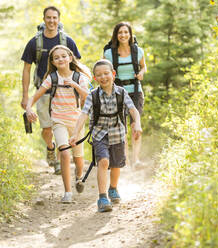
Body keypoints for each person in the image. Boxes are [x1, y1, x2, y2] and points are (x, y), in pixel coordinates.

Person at [69, 59, 142, 212]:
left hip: (118, 133)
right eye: (99, 75)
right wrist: (75, 134)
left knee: (116, 165)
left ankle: (113, 188)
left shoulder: (122, 93)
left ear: (113, 74)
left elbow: (133, 109)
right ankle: (102, 198)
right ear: (95, 78)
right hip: (99, 134)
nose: (103, 77)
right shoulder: (92, 96)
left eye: (106, 73)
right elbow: (83, 115)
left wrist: (138, 124)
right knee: (103, 161)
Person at [21, 6, 81, 174]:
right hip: (44, 90)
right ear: (44, 19)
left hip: (66, 92)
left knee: (68, 125)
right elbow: (26, 69)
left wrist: (82, 89)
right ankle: (50, 149)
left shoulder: (67, 41)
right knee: (47, 128)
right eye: (48, 18)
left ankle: (67, 159)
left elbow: (77, 66)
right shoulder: (34, 42)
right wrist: (26, 96)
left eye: (55, 18)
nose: (52, 21)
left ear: (59, 20)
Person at [26, 45, 90, 203]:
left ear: (70, 58)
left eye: (63, 56)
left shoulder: (79, 77)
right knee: (65, 153)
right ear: (53, 62)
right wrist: (28, 108)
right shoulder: (52, 78)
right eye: (56, 58)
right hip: (58, 119)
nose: (60, 59)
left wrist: (75, 86)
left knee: (78, 157)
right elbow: (36, 96)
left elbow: (89, 97)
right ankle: (67, 192)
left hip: (76, 121)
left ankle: (79, 176)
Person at [103, 22, 147, 166]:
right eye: (120, 32)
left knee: (136, 125)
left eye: (126, 32)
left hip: (135, 91)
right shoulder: (109, 54)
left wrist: (141, 73)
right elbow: (104, 71)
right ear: (116, 35)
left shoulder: (138, 51)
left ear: (130, 34)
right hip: (117, 92)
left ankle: (136, 159)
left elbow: (143, 66)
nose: (123, 35)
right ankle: (126, 160)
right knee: (122, 127)